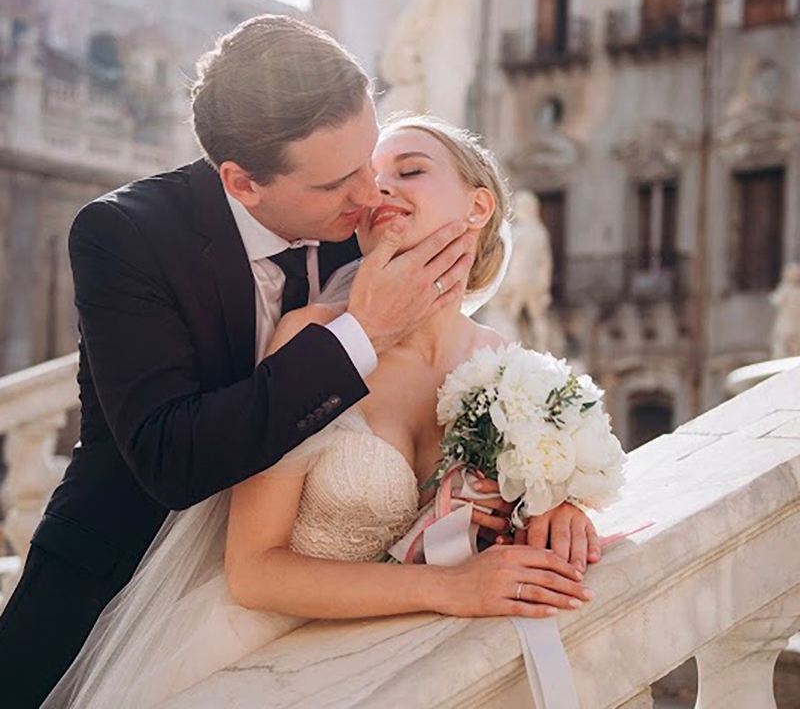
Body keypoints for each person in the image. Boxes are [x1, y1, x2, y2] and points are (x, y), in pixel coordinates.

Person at [0, 16, 478, 708]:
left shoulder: (364, 225)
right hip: (114, 586)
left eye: (370, 161)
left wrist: (536, 489)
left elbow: (445, 364)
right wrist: (361, 331)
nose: (371, 197)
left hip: (309, 601)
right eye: (340, 182)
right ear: (242, 182)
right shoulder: (125, 237)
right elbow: (172, 458)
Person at [44, 115, 601, 708]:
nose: (378, 189)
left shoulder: (510, 366)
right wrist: (449, 588)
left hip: (404, 661)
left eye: (409, 170)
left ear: (478, 206)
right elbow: (254, 571)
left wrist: (558, 502)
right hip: (263, 655)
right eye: (369, 177)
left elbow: (511, 501)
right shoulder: (312, 338)